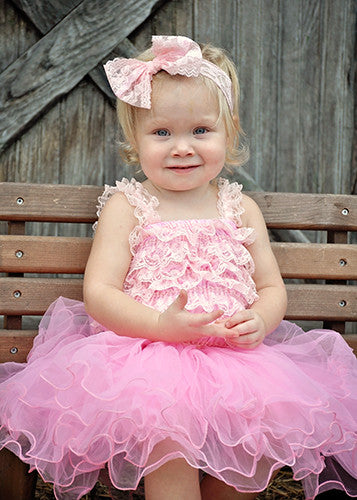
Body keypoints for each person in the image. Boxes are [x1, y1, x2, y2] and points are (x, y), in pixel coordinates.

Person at [0, 35, 356, 500]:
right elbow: (101, 292)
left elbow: (270, 286)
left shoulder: (240, 207)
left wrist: (262, 319)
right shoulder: (129, 205)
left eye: (201, 131)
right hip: (153, 361)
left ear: (230, 133)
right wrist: (161, 325)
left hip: (237, 361)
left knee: (261, 445)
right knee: (169, 439)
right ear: (135, 140)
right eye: (162, 132)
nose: (182, 148)